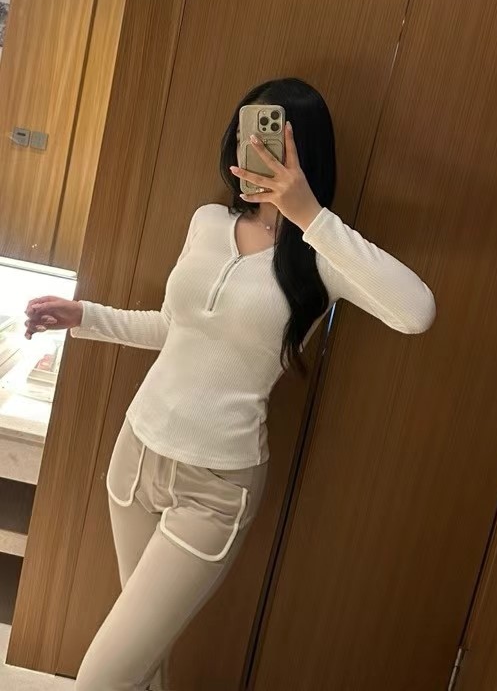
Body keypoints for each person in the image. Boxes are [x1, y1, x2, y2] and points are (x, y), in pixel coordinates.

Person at [24, 77, 436, 691]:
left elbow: (417, 311)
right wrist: (84, 316)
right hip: (136, 458)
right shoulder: (208, 221)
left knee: (101, 680)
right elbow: (176, 328)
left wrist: (308, 214)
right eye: (249, 137)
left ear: (304, 155)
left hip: (215, 490)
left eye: (273, 145)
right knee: (141, 664)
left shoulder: (323, 257)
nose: (255, 154)